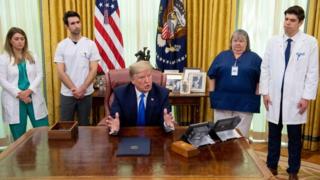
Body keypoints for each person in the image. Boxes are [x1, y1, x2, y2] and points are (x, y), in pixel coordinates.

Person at [259, 5, 319, 179]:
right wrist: (265, 92)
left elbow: (313, 72)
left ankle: (293, 171)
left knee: (294, 139)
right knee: (273, 136)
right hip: (274, 98)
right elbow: (265, 69)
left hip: (296, 99)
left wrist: (306, 97)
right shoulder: (273, 42)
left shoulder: (310, 42)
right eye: (286, 19)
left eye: (292, 20)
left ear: (300, 22)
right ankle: (271, 166)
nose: (288, 23)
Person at [207, 29, 262, 138]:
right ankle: (222, 155)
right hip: (222, 101)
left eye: (241, 41)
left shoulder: (255, 58)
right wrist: (212, 93)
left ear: (247, 43)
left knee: (240, 136)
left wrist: (256, 94)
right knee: (221, 134)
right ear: (231, 42)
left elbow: (262, 78)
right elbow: (211, 75)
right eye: (235, 40)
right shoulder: (222, 56)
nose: (238, 43)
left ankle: (239, 155)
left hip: (245, 103)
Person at [0, 27, 48, 140]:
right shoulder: (3, 58)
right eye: (16, 39)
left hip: (33, 97)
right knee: (19, 138)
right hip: (15, 99)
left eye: (22, 38)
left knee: (43, 132)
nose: (20, 41)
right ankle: (23, 158)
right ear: (10, 40)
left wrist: (29, 91)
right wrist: (20, 94)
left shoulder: (32, 55)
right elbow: (2, 79)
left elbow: (40, 74)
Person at [101, 61, 175, 134]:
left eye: (149, 76)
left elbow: (165, 118)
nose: (147, 81)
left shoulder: (162, 93)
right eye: (142, 77)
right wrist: (115, 127)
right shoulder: (121, 93)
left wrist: (167, 125)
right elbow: (115, 117)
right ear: (133, 80)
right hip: (128, 137)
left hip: (153, 136)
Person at [54, 11, 100, 126]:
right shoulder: (61, 45)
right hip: (67, 93)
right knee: (65, 126)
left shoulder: (90, 44)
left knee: (85, 125)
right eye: (72, 23)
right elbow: (60, 71)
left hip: (86, 93)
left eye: (78, 22)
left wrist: (83, 88)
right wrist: (74, 89)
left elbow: (93, 69)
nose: (76, 25)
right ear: (67, 26)